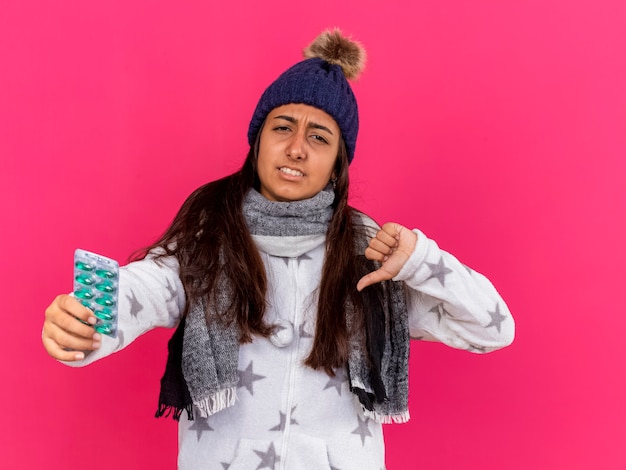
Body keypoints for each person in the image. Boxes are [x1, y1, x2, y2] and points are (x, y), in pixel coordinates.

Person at [42, 29, 514, 470]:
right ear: (258, 141)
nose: (296, 149)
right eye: (282, 127)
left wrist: (422, 262)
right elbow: (148, 284)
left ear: (336, 165)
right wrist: (85, 323)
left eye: (318, 137)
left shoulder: (372, 256)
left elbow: (493, 328)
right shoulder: (208, 236)